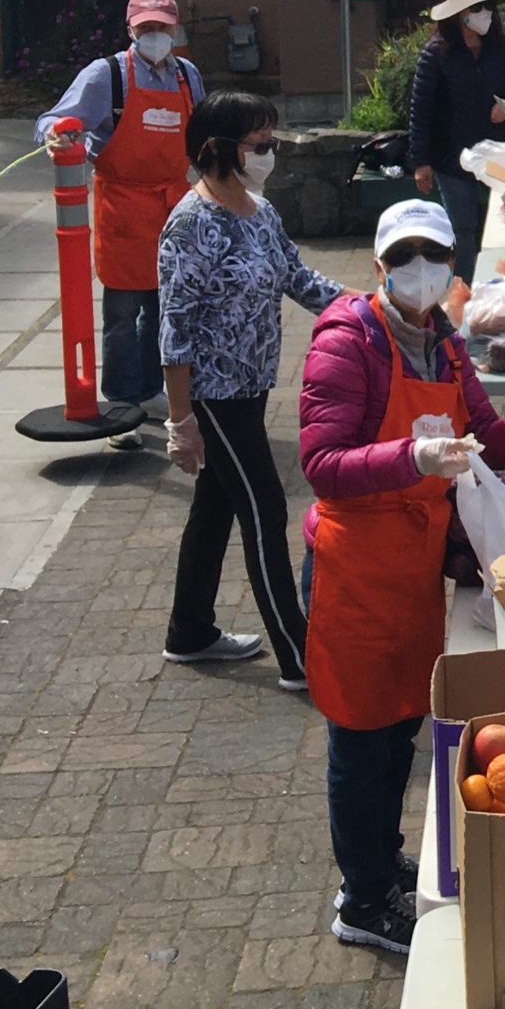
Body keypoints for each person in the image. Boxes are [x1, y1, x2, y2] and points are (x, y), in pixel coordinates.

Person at [298, 199, 505, 954]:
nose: (418, 270)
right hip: (354, 568)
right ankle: (361, 902)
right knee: (360, 739)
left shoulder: (447, 347)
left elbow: (485, 437)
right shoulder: (347, 341)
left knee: (400, 726)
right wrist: (412, 457)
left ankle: (381, 859)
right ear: (379, 266)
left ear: (452, 265)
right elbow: (321, 464)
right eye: (404, 257)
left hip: (413, 565)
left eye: (432, 255)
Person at [158, 91, 344, 687]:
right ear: (218, 148)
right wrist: (181, 420)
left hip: (252, 384)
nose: (269, 153)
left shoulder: (259, 211)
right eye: (259, 143)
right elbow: (175, 329)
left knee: (215, 505)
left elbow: (297, 277)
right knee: (265, 508)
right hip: (214, 396)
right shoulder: (191, 224)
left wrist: (366, 308)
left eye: (271, 141)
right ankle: (299, 655)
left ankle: (189, 631)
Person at [36, 0, 206, 447]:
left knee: (165, 308)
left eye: (162, 27)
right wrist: (57, 136)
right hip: (124, 207)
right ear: (130, 29)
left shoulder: (187, 76)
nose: (155, 34)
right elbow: (54, 120)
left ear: (174, 28)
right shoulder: (106, 75)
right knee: (123, 311)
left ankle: (151, 392)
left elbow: (202, 134)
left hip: (173, 206)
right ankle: (120, 405)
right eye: (146, 26)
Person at [406, 0, 505, 283]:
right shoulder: (435, 54)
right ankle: (465, 291)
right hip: (452, 157)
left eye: (488, 6)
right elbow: (421, 110)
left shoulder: (502, 47)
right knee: (463, 228)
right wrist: (421, 161)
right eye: (477, 7)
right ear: (458, 14)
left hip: (498, 154)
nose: (485, 13)